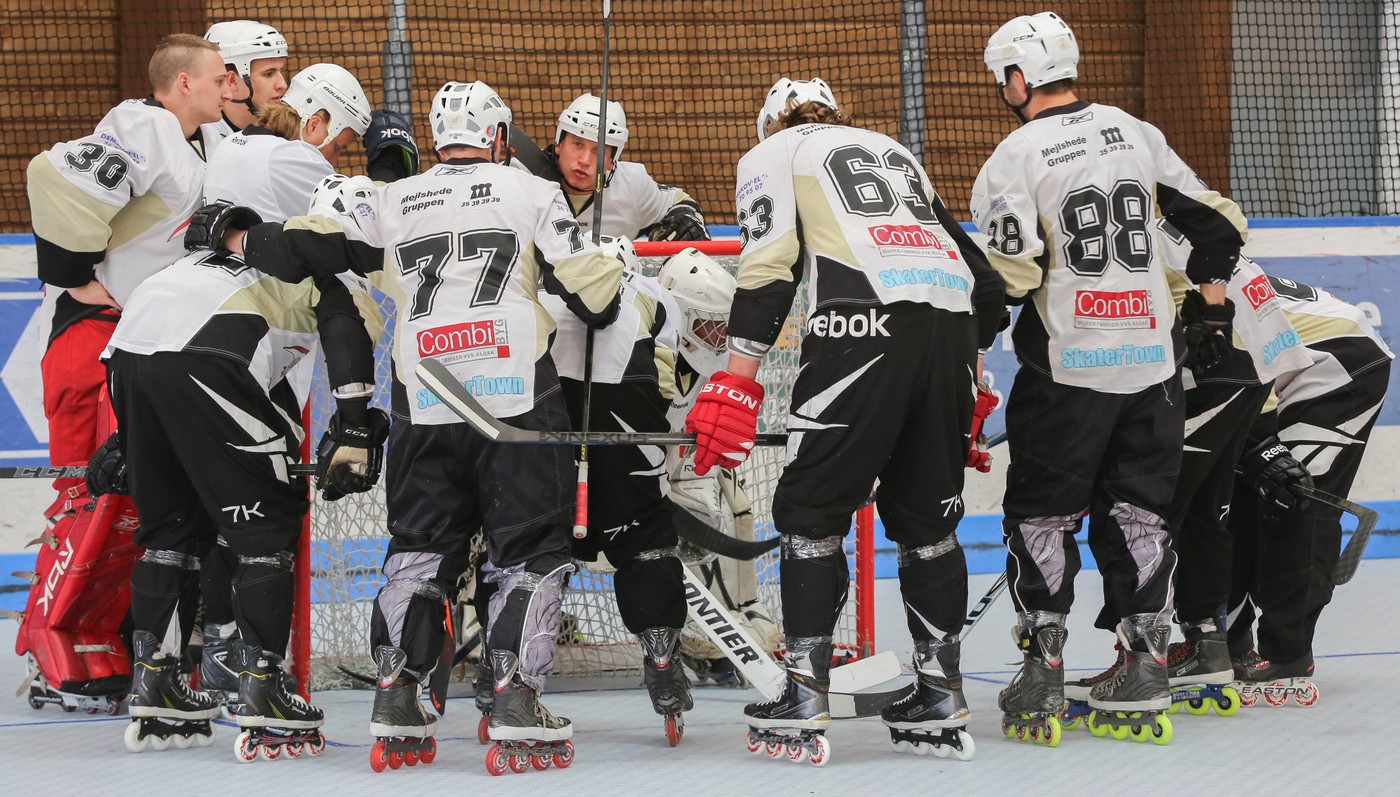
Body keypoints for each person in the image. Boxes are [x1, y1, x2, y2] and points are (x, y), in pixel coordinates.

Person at [213, 79, 623, 773]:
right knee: (532, 549)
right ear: (499, 138)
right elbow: (595, 296)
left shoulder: (392, 198)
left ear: (438, 138)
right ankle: (515, 696)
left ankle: (398, 693)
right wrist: (608, 267)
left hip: (425, 399)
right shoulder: (531, 190)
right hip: (516, 398)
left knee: (420, 548)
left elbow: (306, 248)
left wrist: (236, 235)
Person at [685, 76, 1004, 764]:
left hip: (863, 323)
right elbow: (986, 282)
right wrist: (972, 375)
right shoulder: (893, 150)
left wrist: (737, 378)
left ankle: (803, 689)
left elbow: (768, 267)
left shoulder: (773, 152)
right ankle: (941, 688)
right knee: (927, 519)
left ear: (770, 123)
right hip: (951, 330)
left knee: (810, 509)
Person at [970, 12, 1246, 746]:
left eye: (1003, 77)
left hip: (1068, 370)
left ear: (1019, 77)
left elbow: (1014, 272)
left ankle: (1043, 669)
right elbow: (1217, 226)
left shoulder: (1014, 156)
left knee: (1042, 516)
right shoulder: (1135, 130)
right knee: (1139, 514)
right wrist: (1211, 310)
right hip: (1153, 364)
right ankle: (1146, 664)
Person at [18, 33, 231, 710]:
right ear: (184, 84)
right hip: (91, 334)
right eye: (220, 77)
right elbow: (54, 178)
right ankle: (52, 648)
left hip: (136, 341)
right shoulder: (147, 125)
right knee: (89, 491)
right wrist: (74, 277)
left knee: (134, 500)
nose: (228, 87)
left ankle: (107, 642)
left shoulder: (202, 144)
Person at [1067, 222, 1311, 718]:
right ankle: (1206, 644)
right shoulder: (1178, 202)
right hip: (1250, 363)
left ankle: (1139, 662)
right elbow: (1227, 225)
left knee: (1136, 514)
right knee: (1204, 512)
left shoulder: (1119, 203)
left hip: (1206, 362)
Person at [193, 62, 380, 704]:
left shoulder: (232, 148)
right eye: (342, 143)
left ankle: (209, 648)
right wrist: (392, 172)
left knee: (216, 509)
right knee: (263, 514)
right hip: (260, 350)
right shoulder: (295, 158)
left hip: (203, 338)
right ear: (317, 122)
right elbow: (367, 235)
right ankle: (250, 663)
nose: (338, 158)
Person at [540, 234, 695, 743]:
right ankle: (662, 658)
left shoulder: (540, 281)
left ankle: (507, 676)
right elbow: (668, 386)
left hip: (548, 410)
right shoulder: (656, 295)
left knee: (532, 541)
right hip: (628, 416)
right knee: (645, 536)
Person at [1227, 275, 1392, 704]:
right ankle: (1227, 640)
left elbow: (1245, 373)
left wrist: (1261, 450)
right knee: (1231, 498)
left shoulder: (1190, 295)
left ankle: (1288, 652)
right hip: (1276, 368)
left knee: (1293, 500)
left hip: (1339, 363)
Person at [657, 247, 780, 688]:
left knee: (724, 510)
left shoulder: (715, 373)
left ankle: (725, 615)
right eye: (711, 326)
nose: (720, 338)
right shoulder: (643, 357)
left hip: (678, 472)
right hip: (629, 481)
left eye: (726, 327)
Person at [540, 93, 709, 242]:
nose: (584, 160)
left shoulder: (631, 186)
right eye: (578, 144)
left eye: (598, 151)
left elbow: (681, 202)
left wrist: (686, 223)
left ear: (611, 161)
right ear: (559, 144)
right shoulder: (529, 176)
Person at [201, 20, 289, 154]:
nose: (282, 85)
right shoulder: (205, 141)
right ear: (232, 81)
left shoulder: (289, 132)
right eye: (268, 74)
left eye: (280, 71)